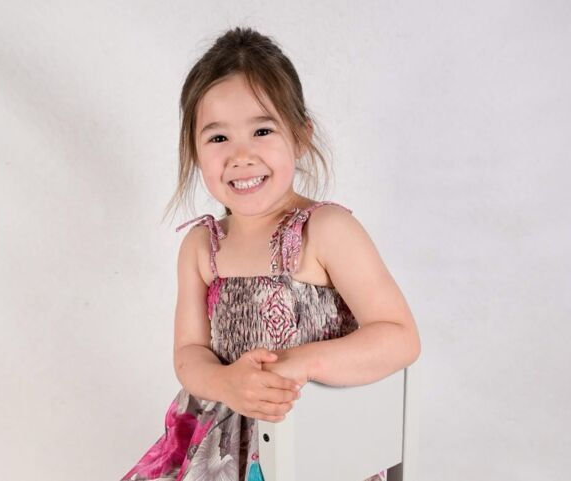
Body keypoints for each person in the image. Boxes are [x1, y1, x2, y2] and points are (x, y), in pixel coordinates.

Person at [121, 26, 421, 481]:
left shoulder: (326, 231)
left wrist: (304, 362)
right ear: (194, 150)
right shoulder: (202, 247)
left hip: (316, 447)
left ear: (300, 136)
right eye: (218, 138)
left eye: (262, 130)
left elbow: (400, 336)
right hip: (220, 456)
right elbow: (188, 352)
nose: (241, 156)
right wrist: (225, 382)